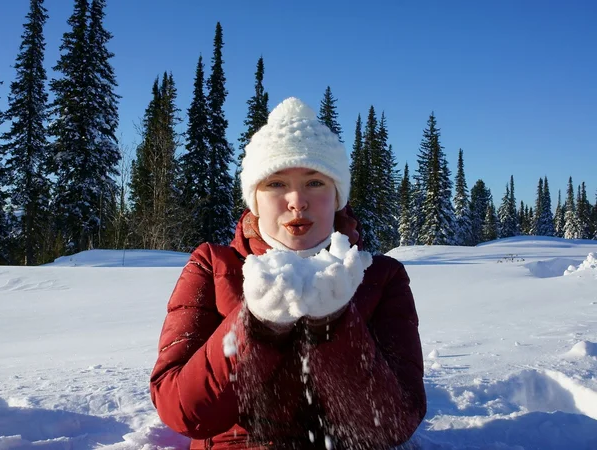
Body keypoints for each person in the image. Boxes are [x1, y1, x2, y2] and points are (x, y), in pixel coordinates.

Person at [150, 97, 426, 450]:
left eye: (315, 182)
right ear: (255, 200)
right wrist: (256, 325)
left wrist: (334, 324)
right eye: (277, 184)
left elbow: (393, 425)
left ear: (337, 196)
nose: (297, 200)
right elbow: (184, 413)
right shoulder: (212, 266)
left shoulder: (381, 277)